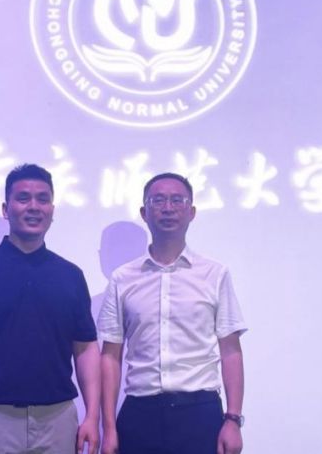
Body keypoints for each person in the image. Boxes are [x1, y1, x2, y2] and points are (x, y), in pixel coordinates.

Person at [0, 164, 100, 454]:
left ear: (52, 210)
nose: (34, 206)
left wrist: (92, 416)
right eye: (23, 198)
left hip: (58, 420)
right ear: (6, 209)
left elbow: (86, 349)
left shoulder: (70, 275)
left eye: (43, 199)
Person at [98, 173, 247, 454]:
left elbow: (231, 351)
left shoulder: (214, 274)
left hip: (200, 414)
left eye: (177, 200)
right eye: (158, 201)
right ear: (144, 213)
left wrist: (233, 419)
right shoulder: (123, 278)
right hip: (140, 413)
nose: (168, 208)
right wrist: (109, 428)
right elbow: (110, 356)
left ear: (192, 212)